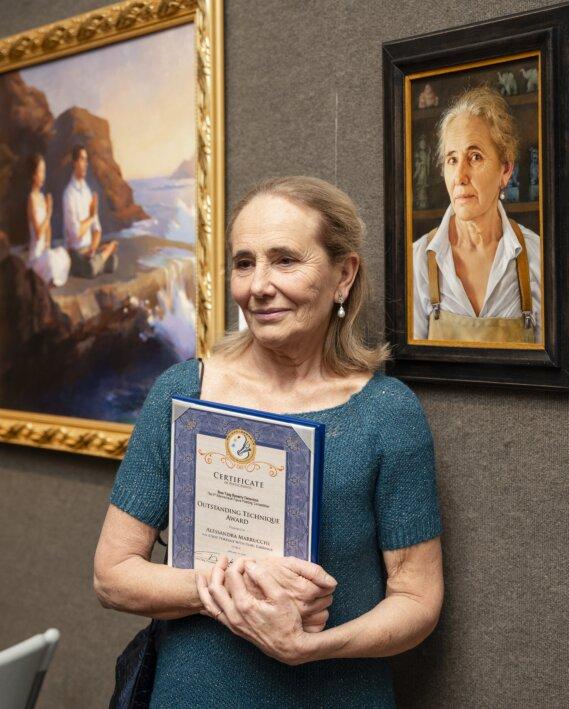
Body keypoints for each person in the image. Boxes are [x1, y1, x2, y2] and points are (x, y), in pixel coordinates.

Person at [94, 176, 444, 708]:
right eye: (243, 262)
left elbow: (417, 600)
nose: (257, 285)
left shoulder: (387, 415)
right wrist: (238, 587)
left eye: (284, 260)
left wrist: (312, 646)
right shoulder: (184, 392)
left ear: (343, 275)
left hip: (334, 693)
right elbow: (113, 576)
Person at [412, 86, 542, 343]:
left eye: (475, 157)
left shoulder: (537, 258)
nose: (460, 177)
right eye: (452, 159)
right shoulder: (418, 260)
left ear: (505, 170)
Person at [62, 145, 118, 278]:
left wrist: (93, 248)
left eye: (86, 160)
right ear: (74, 163)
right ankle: (102, 257)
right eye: (82, 159)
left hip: (89, 250)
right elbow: (76, 233)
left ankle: (99, 258)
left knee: (114, 261)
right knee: (91, 268)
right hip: (75, 253)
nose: (85, 164)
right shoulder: (69, 194)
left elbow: (97, 229)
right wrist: (92, 216)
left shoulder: (87, 192)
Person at [26, 154, 70, 287]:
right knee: (51, 260)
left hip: (43, 252)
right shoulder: (32, 199)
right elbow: (39, 232)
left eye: (44, 171)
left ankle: (48, 280)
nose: (43, 175)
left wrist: (48, 245)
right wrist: (49, 212)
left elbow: (47, 230)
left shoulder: (41, 197)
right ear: (33, 175)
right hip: (35, 257)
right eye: (41, 171)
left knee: (63, 254)